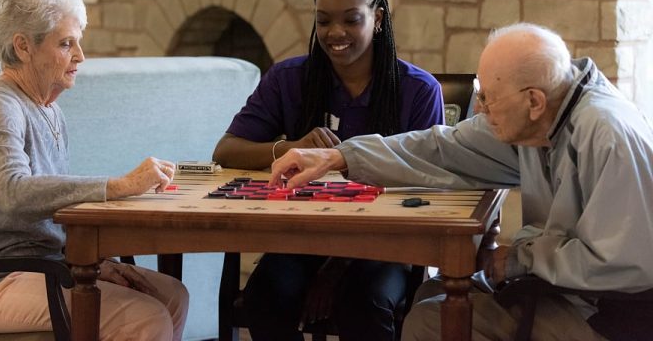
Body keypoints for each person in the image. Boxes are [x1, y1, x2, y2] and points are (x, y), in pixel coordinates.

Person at [269, 22, 653, 340]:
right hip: (570, 292)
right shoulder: (547, 114)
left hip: (610, 317)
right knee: (434, 292)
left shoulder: (607, 134)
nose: (482, 109)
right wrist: (340, 156)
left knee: (428, 321)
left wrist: (518, 260)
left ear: (533, 100)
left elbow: (626, 264)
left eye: (489, 99)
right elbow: (441, 147)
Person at [0, 0, 189, 341]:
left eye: (78, 42)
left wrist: (92, 263)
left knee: (172, 296)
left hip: (33, 267)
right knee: (146, 318)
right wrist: (120, 186)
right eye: (66, 44)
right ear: (23, 47)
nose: (80, 56)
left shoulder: (47, 110)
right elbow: (14, 193)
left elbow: (45, 215)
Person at [212, 0, 445, 341]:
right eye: (323, 20)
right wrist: (291, 148)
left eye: (351, 19)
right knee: (265, 298)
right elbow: (225, 151)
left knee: (361, 301)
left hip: (385, 244)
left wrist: (333, 272)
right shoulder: (289, 79)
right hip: (301, 239)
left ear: (379, 18)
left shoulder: (418, 91)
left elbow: (425, 185)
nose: (335, 32)